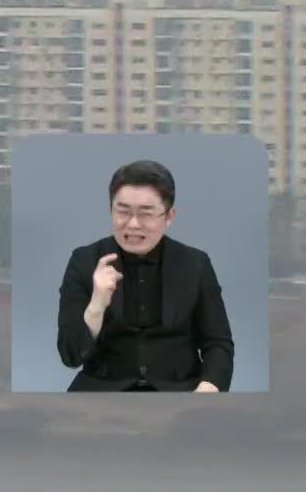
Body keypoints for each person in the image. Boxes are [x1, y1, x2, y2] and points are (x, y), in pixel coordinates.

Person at [56, 159, 234, 392]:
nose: (133, 224)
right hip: (102, 392)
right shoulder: (83, 261)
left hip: (180, 391)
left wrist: (208, 387)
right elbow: (70, 356)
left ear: (169, 216)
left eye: (146, 214)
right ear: (111, 210)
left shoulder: (196, 264)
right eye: (123, 212)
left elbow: (218, 343)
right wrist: (97, 304)